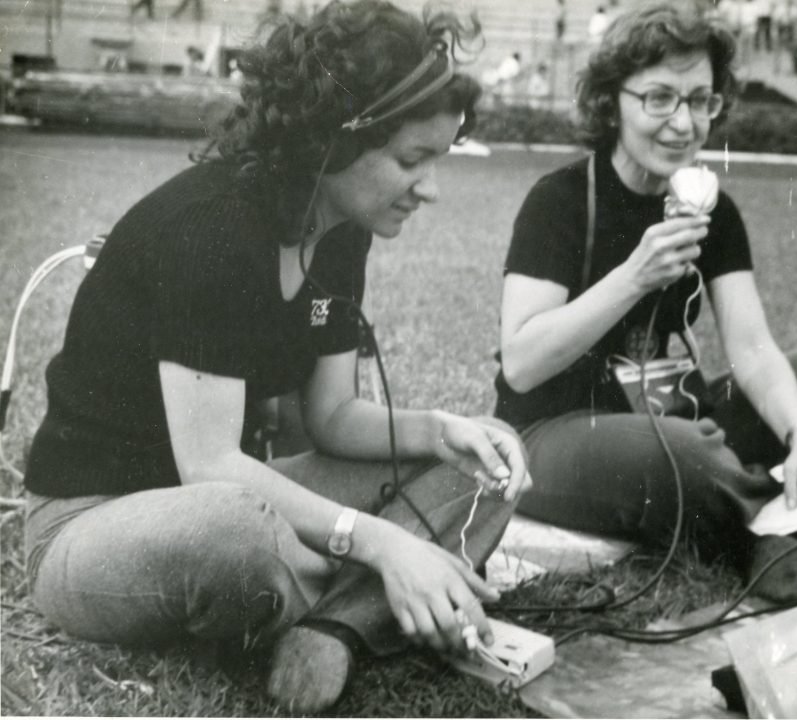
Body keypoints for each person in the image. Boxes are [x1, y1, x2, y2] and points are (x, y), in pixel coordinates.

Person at [22, 1, 531, 714]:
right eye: (412, 160)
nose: (430, 189)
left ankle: (333, 625)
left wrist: (440, 430)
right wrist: (382, 543)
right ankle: (382, 588)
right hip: (98, 524)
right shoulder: (212, 229)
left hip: (249, 496)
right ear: (332, 140)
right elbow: (210, 467)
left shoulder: (342, 225)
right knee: (233, 533)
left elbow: (331, 416)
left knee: (487, 462)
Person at [494, 3, 797, 604]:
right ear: (612, 103)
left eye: (700, 100)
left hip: (669, 416)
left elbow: (753, 348)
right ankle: (786, 530)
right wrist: (634, 276)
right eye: (659, 98)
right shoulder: (558, 201)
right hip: (551, 433)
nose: (683, 123)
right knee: (682, 451)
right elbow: (522, 362)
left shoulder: (713, 210)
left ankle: (793, 522)